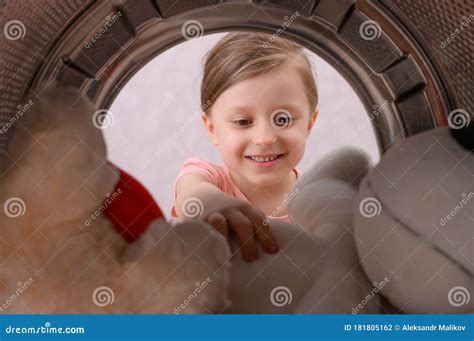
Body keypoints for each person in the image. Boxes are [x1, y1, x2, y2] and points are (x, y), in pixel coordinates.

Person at [171, 32, 319, 262]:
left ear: (309, 124)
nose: (264, 138)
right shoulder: (208, 178)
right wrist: (214, 204)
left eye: (282, 120)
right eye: (242, 122)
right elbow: (192, 194)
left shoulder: (318, 200)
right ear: (212, 129)